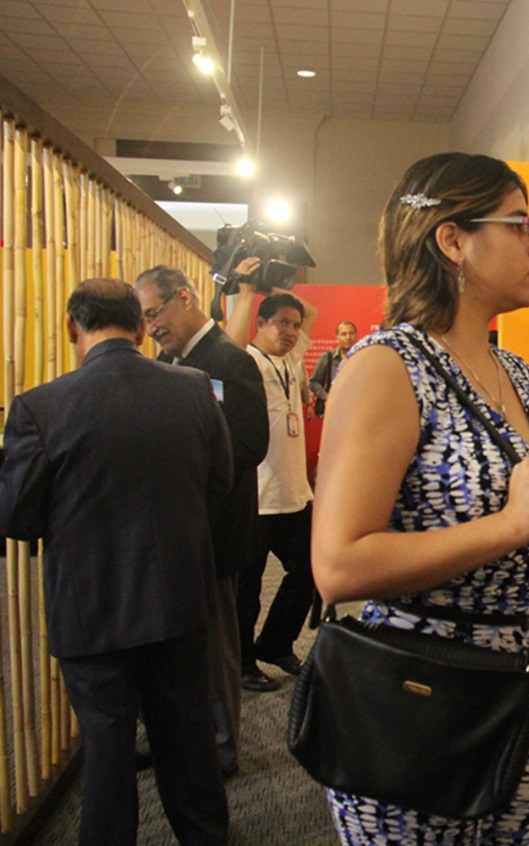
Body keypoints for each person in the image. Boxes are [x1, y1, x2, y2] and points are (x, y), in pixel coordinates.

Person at [311, 152, 529, 843]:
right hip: (424, 704)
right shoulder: (386, 367)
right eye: (518, 224)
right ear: (452, 241)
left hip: (525, 693)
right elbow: (338, 565)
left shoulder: (516, 373)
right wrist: (506, 525)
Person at [0, 279, 231, 845]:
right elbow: (220, 482)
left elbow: (16, 518)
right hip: (179, 599)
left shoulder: (39, 407)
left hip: (90, 612)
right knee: (187, 737)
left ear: (72, 328)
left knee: (107, 751)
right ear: (137, 328)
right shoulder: (195, 388)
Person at [134, 264, 269, 774]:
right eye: (144, 319)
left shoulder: (229, 362)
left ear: (186, 298)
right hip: (170, 532)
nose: (152, 328)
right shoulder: (166, 362)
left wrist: (185, 467)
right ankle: (166, 734)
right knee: (167, 646)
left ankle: (221, 748)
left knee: (215, 651)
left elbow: (250, 444)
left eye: (155, 314)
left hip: (214, 530)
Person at [225, 277, 320, 691]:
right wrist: (249, 289)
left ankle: (275, 643)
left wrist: (277, 283)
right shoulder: (246, 361)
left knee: (311, 571)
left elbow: (310, 314)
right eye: (281, 322)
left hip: (295, 494)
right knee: (246, 590)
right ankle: (243, 662)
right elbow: (225, 349)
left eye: (295, 325)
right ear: (259, 324)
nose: (292, 331)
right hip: (257, 498)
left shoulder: (291, 359)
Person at [309, 320, 358, 418]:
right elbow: (313, 383)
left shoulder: (362, 357)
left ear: (356, 336)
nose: (348, 337)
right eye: (343, 334)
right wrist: (327, 397)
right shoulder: (327, 358)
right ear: (337, 338)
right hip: (333, 411)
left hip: (356, 411)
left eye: (351, 333)